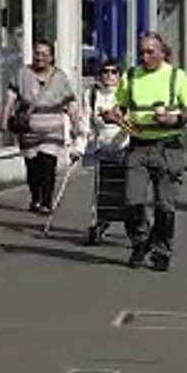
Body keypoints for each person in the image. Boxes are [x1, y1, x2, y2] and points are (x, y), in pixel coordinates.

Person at [104, 32, 187, 270]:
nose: (145, 57)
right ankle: (140, 241)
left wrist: (174, 118)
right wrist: (113, 115)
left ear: (162, 52)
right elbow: (121, 106)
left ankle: (162, 251)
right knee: (131, 200)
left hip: (167, 147)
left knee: (165, 206)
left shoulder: (177, 77)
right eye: (142, 52)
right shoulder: (131, 76)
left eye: (150, 52)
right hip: (139, 146)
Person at [1, 39, 81, 215]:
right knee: (33, 167)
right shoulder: (22, 74)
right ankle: (35, 197)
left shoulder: (60, 77)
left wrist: (75, 125)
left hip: (53, 127)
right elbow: (10, 98)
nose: (40, 58)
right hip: (29, 128)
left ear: (52, 57)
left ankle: (46, 202)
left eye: (45, 54)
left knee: (48, 163)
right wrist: (4, 120)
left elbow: (71, 103)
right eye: (37, 53)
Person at [80, 58, 128, 241]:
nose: (109, 76)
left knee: (124, 190)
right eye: (105, 71)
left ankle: (135, 228)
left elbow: (132, 122)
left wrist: (117, 120)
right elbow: (86, 122)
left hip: (124, 146)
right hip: (101, 147)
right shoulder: (91, 94)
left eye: (114, 72)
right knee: (101, 190)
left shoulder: (125, 95)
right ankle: (98, 224)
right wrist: (80, 147)